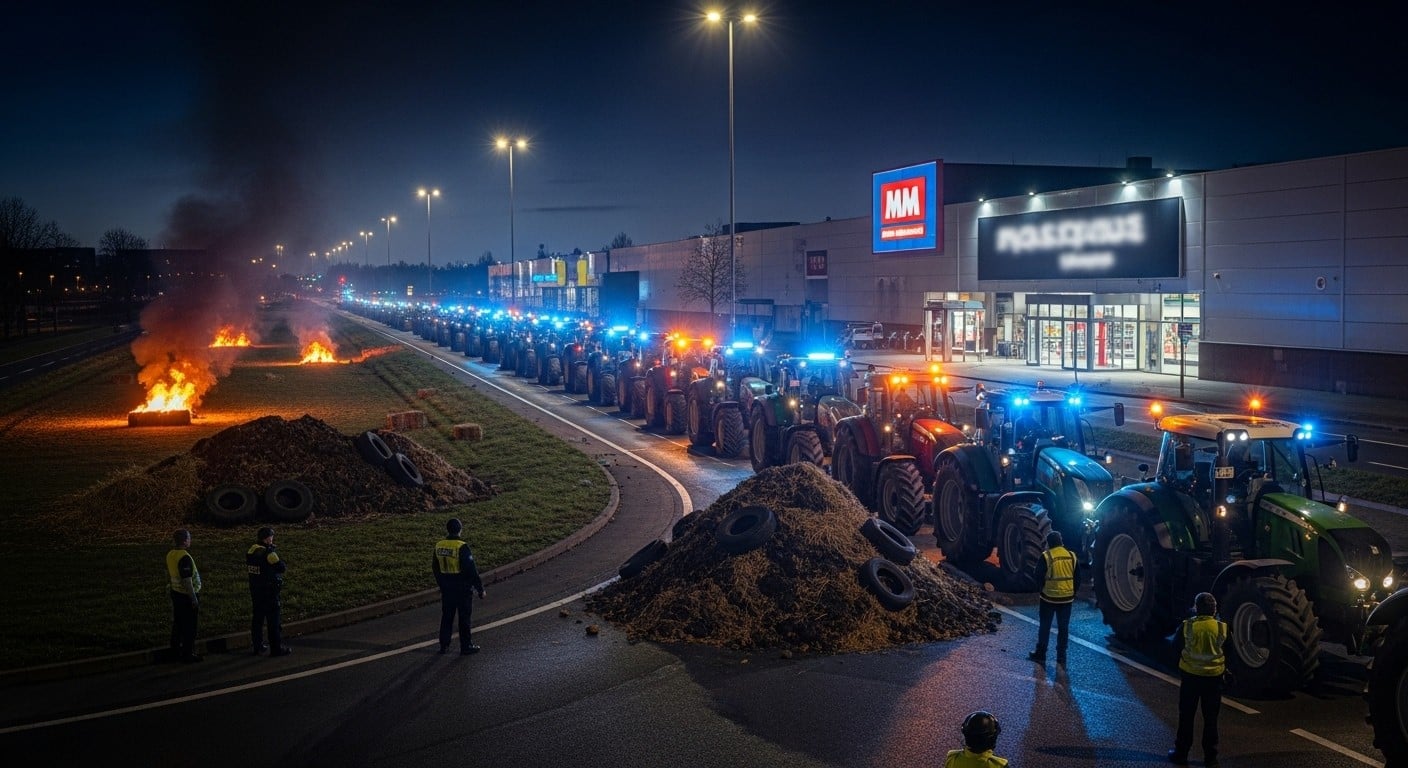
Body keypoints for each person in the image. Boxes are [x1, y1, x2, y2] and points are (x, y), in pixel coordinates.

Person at [1169, 592, 1227, 767]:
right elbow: (1229, 651)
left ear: (1196, 608)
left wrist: (1182, 666)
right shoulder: (1222, 628)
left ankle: (1181, 753)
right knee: (1211, 720)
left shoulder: (1187, 626)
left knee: (1186, 717)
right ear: (1214, 609)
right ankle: (1211, 758)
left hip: (1191, 678)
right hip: (1214, 679)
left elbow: (1175, 647)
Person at [433, 517, 486, 655]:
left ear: (448, 529)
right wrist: (480, 589)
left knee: (447, 617)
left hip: (447, 588)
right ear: (460, 530)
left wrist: (442, 584)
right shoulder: (462, 546)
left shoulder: (439, 546)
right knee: (464, 618)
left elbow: (435, 568)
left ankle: (444, 645)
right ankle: (466, 646)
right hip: (462, 588)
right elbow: (471, 570)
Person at [1028, 530, 1076, 666]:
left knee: (1045, 626)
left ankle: (1041, 653)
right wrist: (1071, 592)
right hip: (1067, 599)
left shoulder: (1046, 556)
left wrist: (1042, 589)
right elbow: (1077, 577)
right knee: (1063, 628)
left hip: (1048, 598)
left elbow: (1038, 575)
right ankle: (1061, 656)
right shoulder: (1071, 556)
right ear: (1061, 542)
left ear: (1049, 544)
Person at [247, 526, 290, 657]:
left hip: (256, 590)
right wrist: (271, 550)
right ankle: (276, 649)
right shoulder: (269, 553)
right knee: (273, 622)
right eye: (271, 537)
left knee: (257, 619)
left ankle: (257, 646)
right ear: (267, 539)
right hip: (270, 591)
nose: (272, 539)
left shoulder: (251, 550)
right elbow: (281, 567)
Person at [165, 528, 202, 663]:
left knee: (178, 624)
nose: (190, 540)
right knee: (190, 627)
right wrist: (193, 598)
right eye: (189, 538)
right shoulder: (184, 557)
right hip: (186, 596)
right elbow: (187, 580)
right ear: (185, 541)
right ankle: (188, 654)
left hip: (176, 593)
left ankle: (175, 651)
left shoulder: (171, 554)